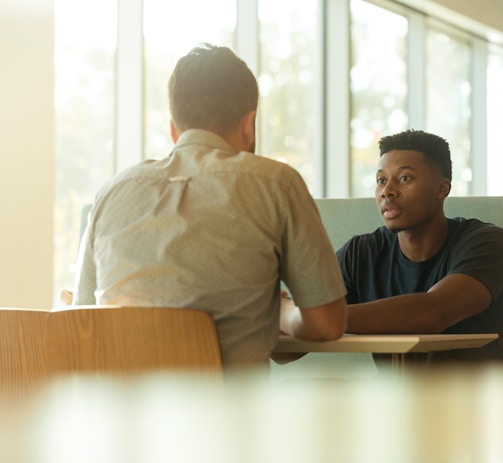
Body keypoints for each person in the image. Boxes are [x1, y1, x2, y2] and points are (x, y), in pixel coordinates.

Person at [73, 43, 347, 368]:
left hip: (118, 414)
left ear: (174, 129)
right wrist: (283, 313)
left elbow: (81, 320)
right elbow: (327, 324)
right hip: (227, 414)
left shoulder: (111, 192)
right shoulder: (277, 183)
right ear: (250, 124)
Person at [335, 129, 503, 363]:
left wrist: (313, 319)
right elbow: (287, 351)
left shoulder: (487, 243)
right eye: (381, 180)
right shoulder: (360, 254)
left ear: (442, 189)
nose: (387, 191)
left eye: (404, 178)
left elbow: (431, 313)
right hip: (396, 397)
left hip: (479, 397)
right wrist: (287, 315)